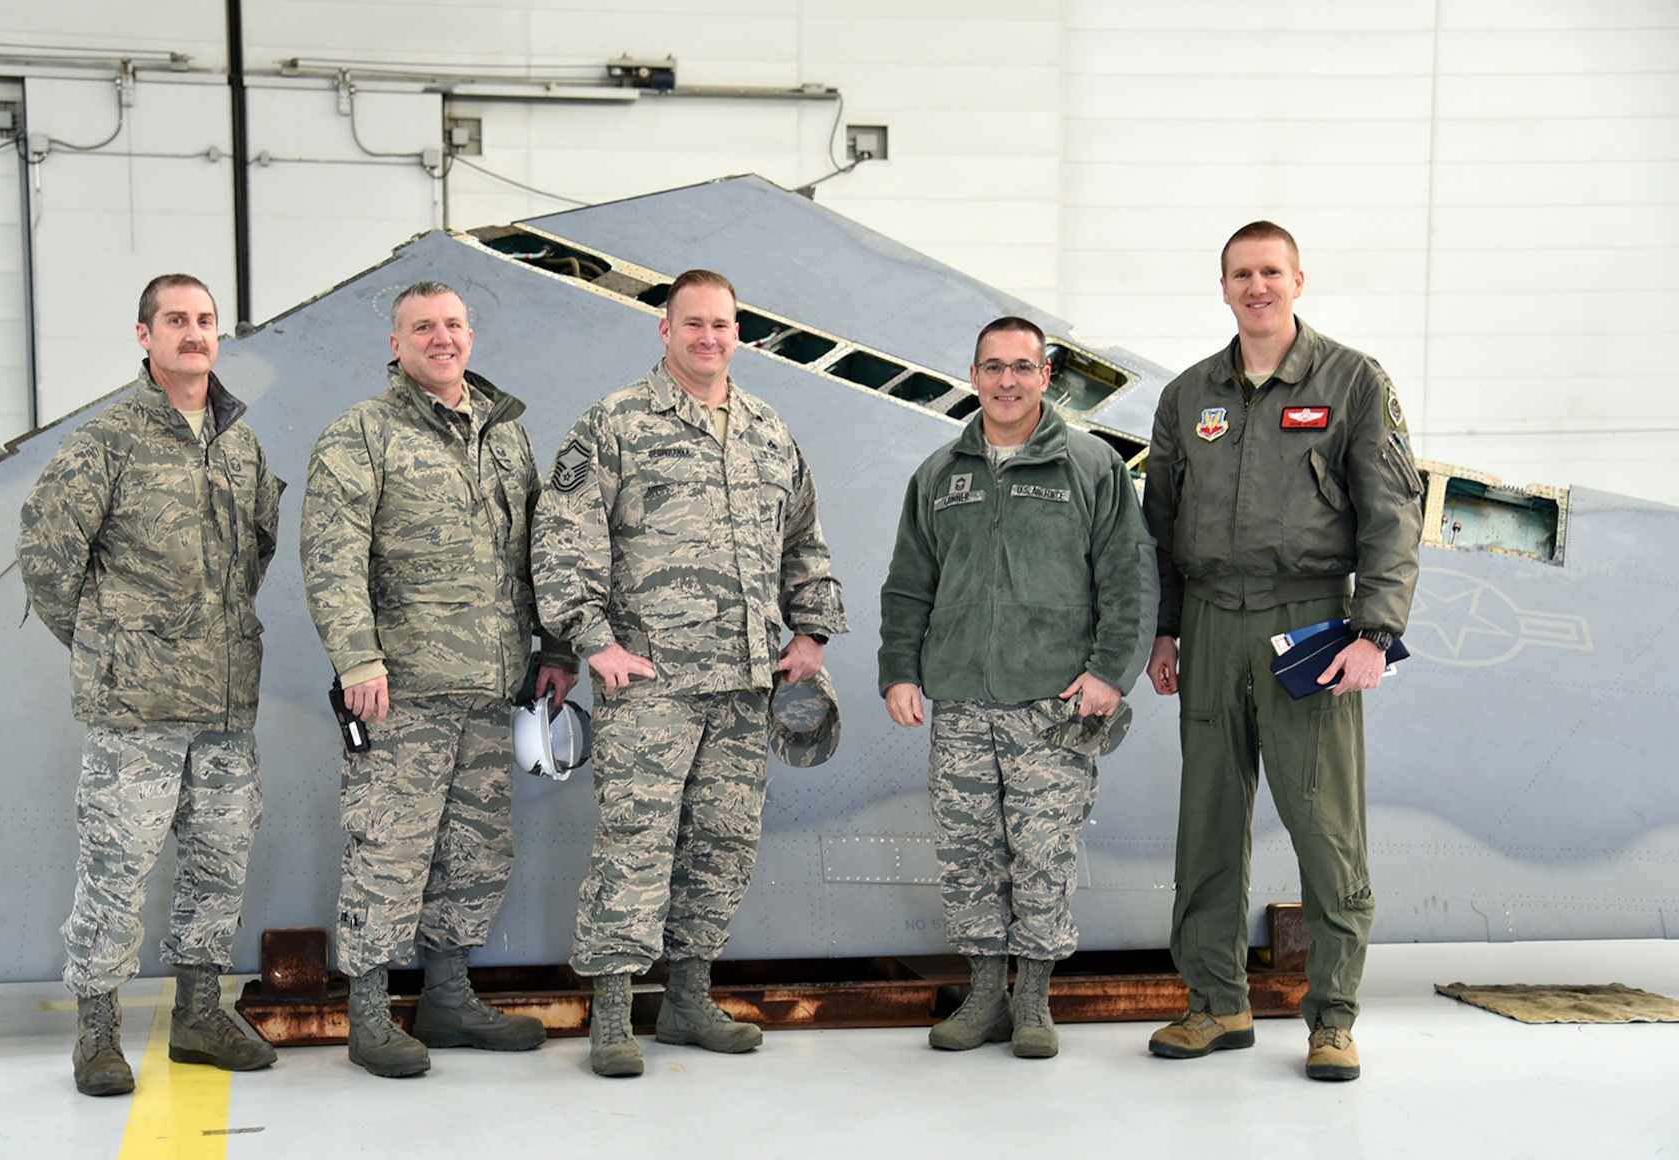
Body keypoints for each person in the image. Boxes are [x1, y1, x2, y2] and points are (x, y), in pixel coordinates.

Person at [532, 269, 848, 1078]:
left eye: (723, 325)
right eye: (694, 323)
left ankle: (687, 996)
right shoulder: (614, 425)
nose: (709, 338)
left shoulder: (769, 431)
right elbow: (563, 539)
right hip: (651, 685)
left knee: (723, 842)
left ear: (739, 333)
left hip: (745, 683)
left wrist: (810, 631)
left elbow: (803, 539)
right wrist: (594, 641)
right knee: (635, 842)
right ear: (663, 330)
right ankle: (611, 1010)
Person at [1141, 221, 1424, 1082]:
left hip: (1311, 625)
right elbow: (1159, 525)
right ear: (1223, 287)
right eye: (1240, 274)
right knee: (1207, 825)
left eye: (1270, 271)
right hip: (1212, 624)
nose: (1255, 286)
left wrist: (1376, 630)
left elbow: (1392, 514)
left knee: (1326, 826)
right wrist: (1166, 627)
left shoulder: (1353, 381)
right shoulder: (1189, 396)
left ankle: (1332, 1017)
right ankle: (1216, 1003)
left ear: (1299, 279)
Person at [300, 280, 578, 1079]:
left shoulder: (507, 436)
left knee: (475, 848)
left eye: (454, 323)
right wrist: (357, 659)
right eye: (423, 327)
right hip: (403, 688)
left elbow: (541, 554)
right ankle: (370, 1013)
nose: (441, 337)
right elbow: (331, 555)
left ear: (471, 334)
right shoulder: (361, 435)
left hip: (494, 687)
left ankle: (448, 997)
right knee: (389, 847)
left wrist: (555, 648)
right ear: (397, 344)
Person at [19, 273, 285, 1097]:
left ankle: (200, 1014)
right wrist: (111, 644)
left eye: (205, 320)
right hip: (136, 707)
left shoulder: (240, 443)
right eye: (176, 320)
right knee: (116, 863)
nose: (194, 333)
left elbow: (257, 555)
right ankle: (97, 1031)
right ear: (145, 336)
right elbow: (46, 557)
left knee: (218, 859)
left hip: (224, 703)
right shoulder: (108, 441)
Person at [879, 316, 1154, 1059]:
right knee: (968, 850)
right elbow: (909, 586)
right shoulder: (940, 475)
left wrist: (1108, 675)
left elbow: (1130, 578)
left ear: (1046, 376)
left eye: (1022, 367)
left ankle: (1031, 999)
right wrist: (900, 670)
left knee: (1041, 850)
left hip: (1052, 706)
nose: (1007, 381)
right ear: (974, 376)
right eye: (993, 367)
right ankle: (983, 995)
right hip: (961, 700)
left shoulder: (1092, 467)